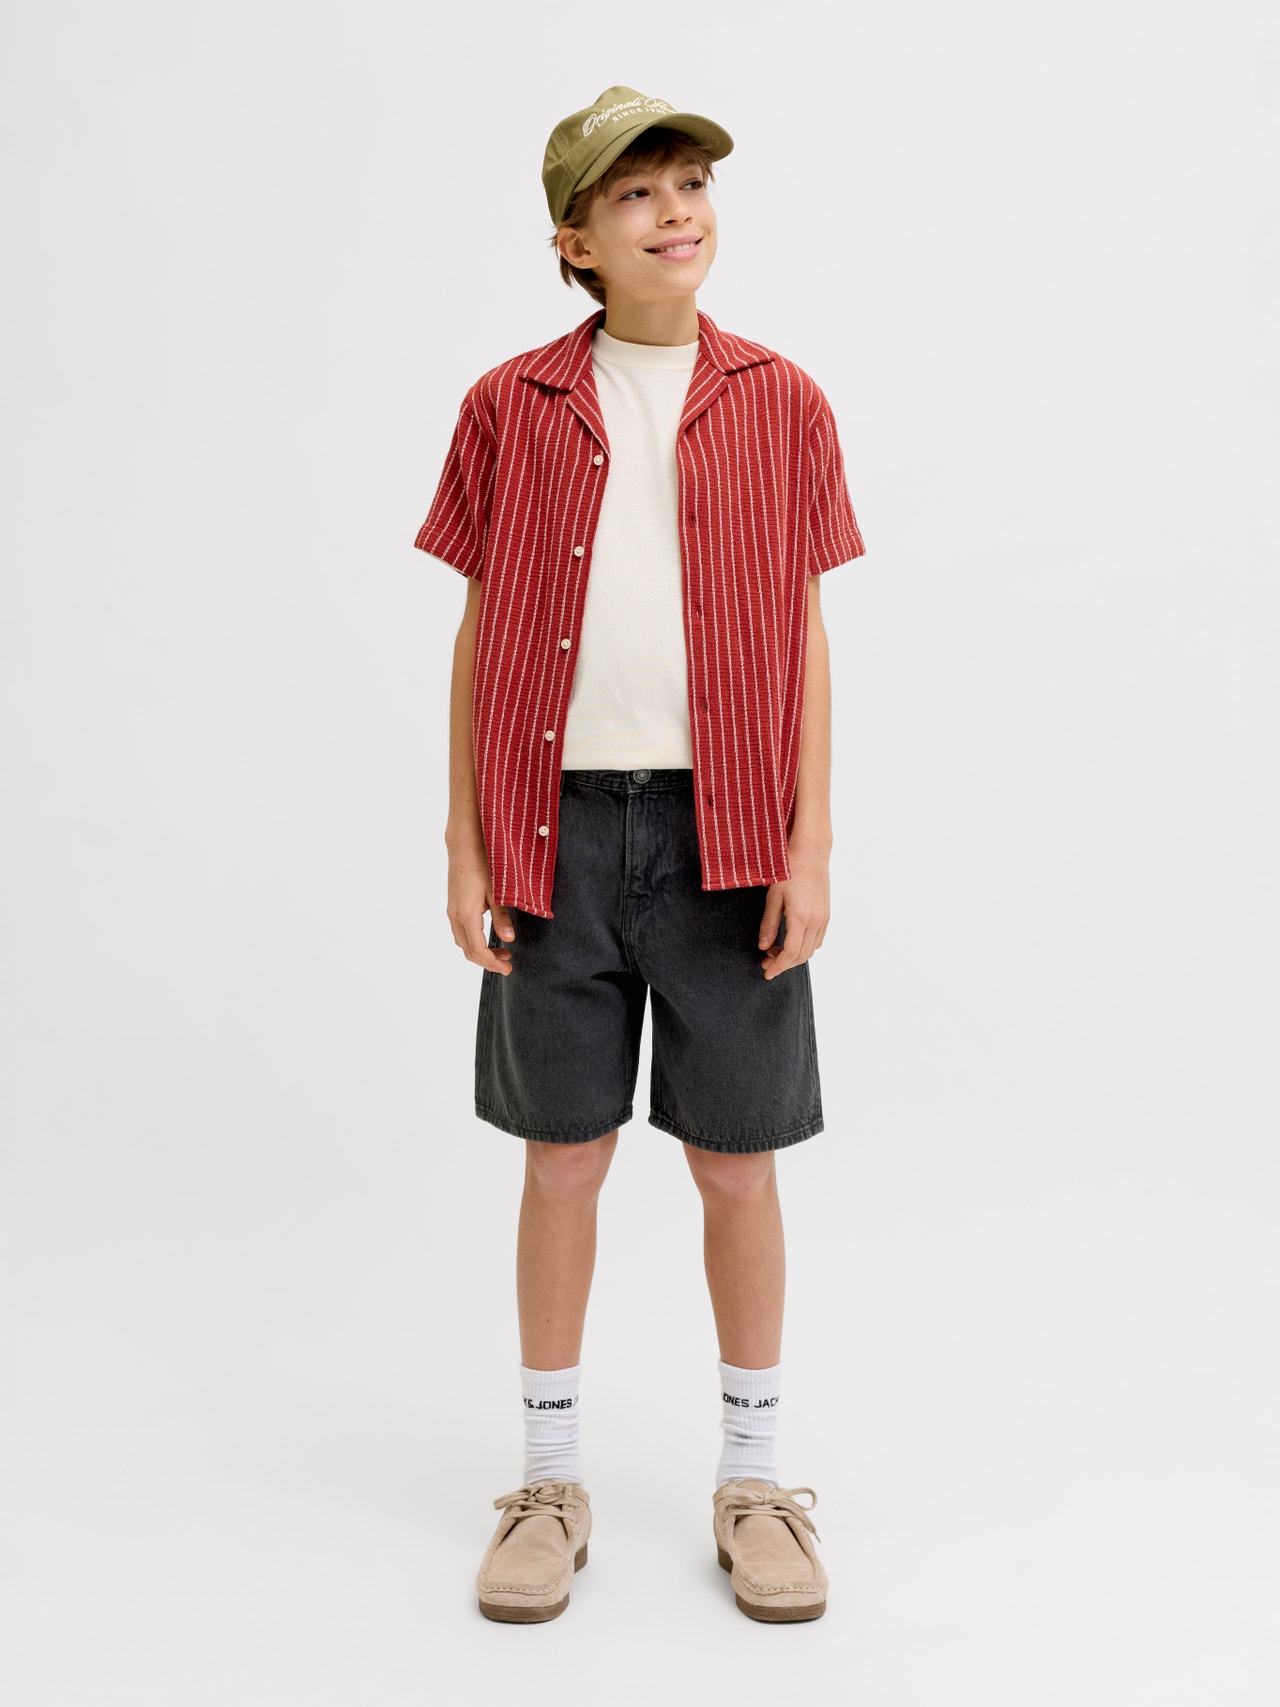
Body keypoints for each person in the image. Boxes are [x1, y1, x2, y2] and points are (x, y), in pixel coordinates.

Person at [414, 85, 865, 1625]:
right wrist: (468, 834)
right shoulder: (511, 404)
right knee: (564, 1156)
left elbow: (805, 631)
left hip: (727, 831)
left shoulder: (783, 401)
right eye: (636, 194)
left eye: (689, 184)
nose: (676, 209)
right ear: (575, 242)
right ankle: (549, 1481)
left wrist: (810, 836)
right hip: (552, 830)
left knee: (738, 1160)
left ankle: (756, 1479)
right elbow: (480, 627)